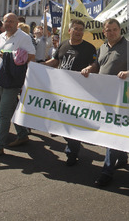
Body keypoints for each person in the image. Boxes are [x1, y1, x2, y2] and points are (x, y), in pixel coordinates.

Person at [81, 18, 129, 187]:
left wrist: (128, 72)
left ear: (120, 30)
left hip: (121, 99)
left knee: (112, 133)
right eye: (108, 30)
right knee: (113, 131)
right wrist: (89, 69)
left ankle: (106, 171)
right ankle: (122, 157)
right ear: (104, 32)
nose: (111, 33)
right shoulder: (102, 47)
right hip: (104, 97)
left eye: (114, 29)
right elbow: (97, 64)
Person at [44, 19, 97, 166]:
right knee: (61, 122)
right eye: (76, 29)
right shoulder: (63, 44)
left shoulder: (89, 48)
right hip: (60, 91)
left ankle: (72, 152)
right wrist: (40, 65)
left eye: (81, 29)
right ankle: (74, 144)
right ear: (70, 30)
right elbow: (55, 61)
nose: (79, 32)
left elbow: (95, 65)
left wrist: (89, 68)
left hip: (78, 93)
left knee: (71, 122)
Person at [0, 13, 36, 159]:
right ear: (3, 23)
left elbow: (31, 57)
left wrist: (14, 56)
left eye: (12, 22)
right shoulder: (1, 36)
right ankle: (22, 134)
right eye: (6, 21)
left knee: (4, 112)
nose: (8, 24)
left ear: (17, 23)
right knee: (12, 108)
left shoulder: (24, 37)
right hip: (1, 79)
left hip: (13, 80)